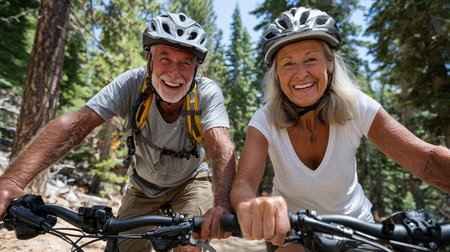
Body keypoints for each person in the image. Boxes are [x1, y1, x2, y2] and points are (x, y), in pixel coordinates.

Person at [0, 12, 235, 251]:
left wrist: (223, 205)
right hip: (143, 188)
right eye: (165, 59)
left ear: (196, 69)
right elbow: (76, 124)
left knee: (189, 246)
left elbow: (221, 146)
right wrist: (11, 181)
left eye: (185, 63)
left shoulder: (206, 93)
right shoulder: (132, 83)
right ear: (149, 60)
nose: (174, 73)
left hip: (190, 184)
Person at [230, 6, 450, 252]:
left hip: (359, 231)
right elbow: (245, 181)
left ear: (330, 64)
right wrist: (249, 206)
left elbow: (426, 160)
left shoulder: (356, 106)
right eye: (288, 63)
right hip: (294, 233)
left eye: (311, 59)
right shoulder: (265, 119)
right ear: (277, 75)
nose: (300, 73)